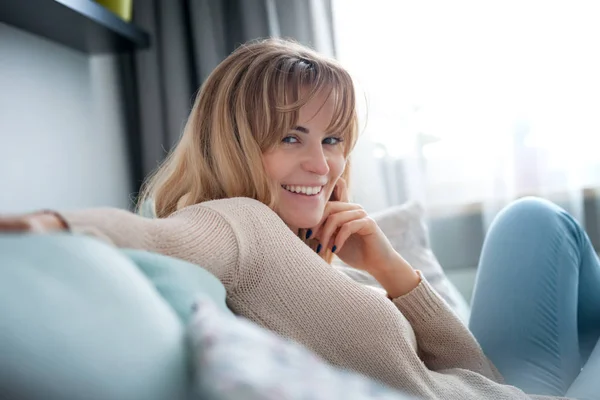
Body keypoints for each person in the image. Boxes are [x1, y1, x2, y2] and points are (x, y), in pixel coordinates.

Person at [1, 38, 599, 400]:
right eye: (292, 137)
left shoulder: (318, 257)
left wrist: (392, 271)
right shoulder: (241, 226)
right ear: (234, 141)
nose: (322, 163)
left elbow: (478, 376)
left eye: (334, 139)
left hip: (508, 390)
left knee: (534, 221)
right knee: (537, 222)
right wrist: (52, 224)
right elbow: (158, 235)